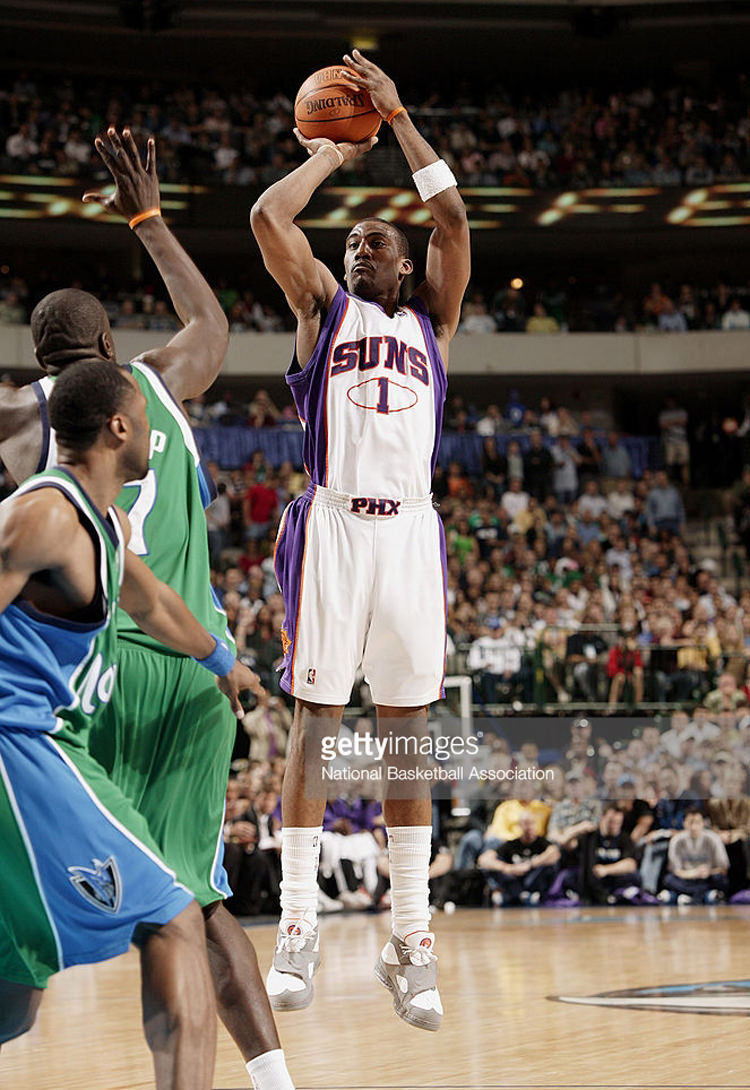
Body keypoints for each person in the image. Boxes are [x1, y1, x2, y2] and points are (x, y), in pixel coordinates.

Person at [0, 129, 294, 1090]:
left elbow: (128, 582)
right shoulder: (157, 384)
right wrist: (149, 220)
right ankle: (274, 1082)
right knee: (191, 903)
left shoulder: (21, 420)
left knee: (140, 920)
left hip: (85, 684)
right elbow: (213, 324)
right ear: (113, 370)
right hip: (151, 685)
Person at [251, 49, 470, 1031]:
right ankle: (297, 924)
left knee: (407, 737)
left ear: (407, 266)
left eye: (375, 244)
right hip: (335, 522)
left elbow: (455, 219)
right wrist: (333, 155)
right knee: (315, 722)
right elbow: (268, 221)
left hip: (411, 532)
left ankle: (410, 936)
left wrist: (397, 115)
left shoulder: (435, 326)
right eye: (349, 246)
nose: (357, 250)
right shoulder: (322, 312)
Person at [0, 361, 258, 1087]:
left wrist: (224, 663)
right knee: (175, 917)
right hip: (20, 747)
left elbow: (159, 607)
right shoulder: (44, 514)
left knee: (12, 1005)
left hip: (50, 747)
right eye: (147, 415)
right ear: (119, 426)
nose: (156, 430)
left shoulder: (103, 523)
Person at [659, 808, 730, 904]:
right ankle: (705, 896)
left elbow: (723, 868)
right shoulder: (677, 840)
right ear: (684, 823)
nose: (694, 827)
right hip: (686, 878)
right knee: (668, 879)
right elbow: (675, 870)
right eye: (690, 822)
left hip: (706, 878)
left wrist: (709, 872)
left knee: (721, 880)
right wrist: (693, 873)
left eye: (697, 822)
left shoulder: (713, 839)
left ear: (703, 823)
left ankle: (685, 897)